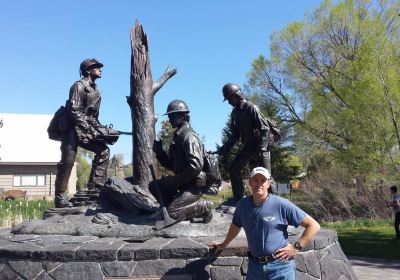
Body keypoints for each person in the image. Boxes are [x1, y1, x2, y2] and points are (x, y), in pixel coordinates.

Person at [210, 167, 320, 280]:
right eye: (255, 180)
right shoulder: (242, 205)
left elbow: (313, 225)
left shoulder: (281, 204)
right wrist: (224, 244)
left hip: (281, 267)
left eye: (263, 180)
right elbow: (235, 226)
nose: (259, 184)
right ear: (250, 182)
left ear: (268, 183)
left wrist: (296, 247)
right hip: (255, 268)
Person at [54, 58, 118, 208]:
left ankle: (94, 188)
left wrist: (103, 131)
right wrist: (90, 130)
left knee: (103, 151)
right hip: (70, 128)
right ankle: (60, 197)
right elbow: (74, 111)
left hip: (84, 128)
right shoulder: (78, 86)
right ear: (88, 70)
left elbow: (93, 117)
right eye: (97, 67)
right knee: (68, 162)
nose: (100, 69)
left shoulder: (96, 90)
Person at [213, 83, 277, 203]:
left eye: (229, 99)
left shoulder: (251, 107)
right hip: (249, 144)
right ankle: (238, 198)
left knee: (266, 173)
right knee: (234, 167)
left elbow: (265, 128)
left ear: (237, 95)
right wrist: (223, 149)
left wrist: (262, 148)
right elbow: (235, 135)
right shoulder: (235, 113)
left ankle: (274, 201)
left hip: (261, 143)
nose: (228, 102)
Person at [151, 99, 213, 223]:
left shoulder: (189, 137)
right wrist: (160, 152)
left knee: (172, 214)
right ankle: (172, 207)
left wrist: (174, 180)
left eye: (172, 116)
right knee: (154, 186)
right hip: (183, 183)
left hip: (194, 186)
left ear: (183, 116)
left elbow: (196, 167)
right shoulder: (178, 136)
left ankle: (203, 208)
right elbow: (172, 165)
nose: (169, 120)